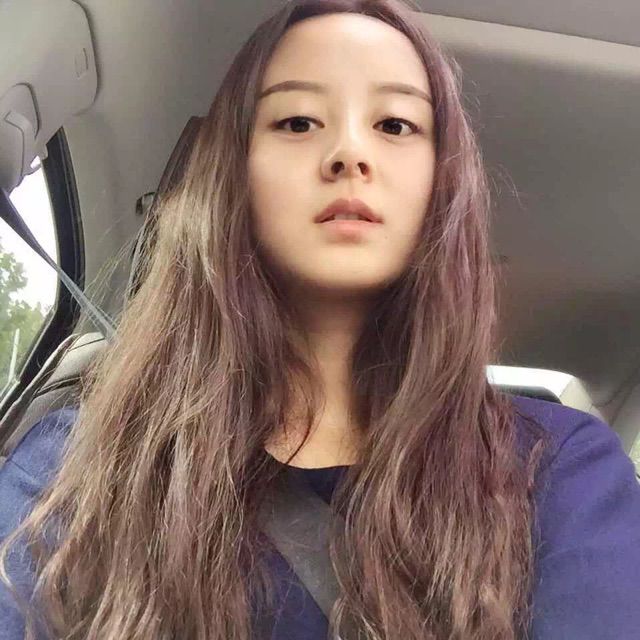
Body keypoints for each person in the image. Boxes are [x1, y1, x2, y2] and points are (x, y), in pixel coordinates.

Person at [2, 0, 640, 638]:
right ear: (233, 174)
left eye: (395, 124)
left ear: (442, 184)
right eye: (298, 121)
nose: (348, 152)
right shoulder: (77, 462)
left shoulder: (559, 470)